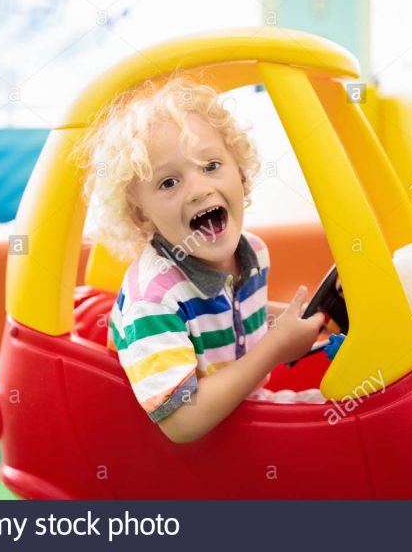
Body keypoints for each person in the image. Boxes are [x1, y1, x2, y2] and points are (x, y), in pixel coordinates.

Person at [76, 77, 325, 443]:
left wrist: (293, 319)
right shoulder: (154, 300)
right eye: (168, 183)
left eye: (210, 166)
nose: (199, 189)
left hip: (246, 408)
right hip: (204, 440)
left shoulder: (252, 252)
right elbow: (181, 422)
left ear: (240, 173)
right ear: (140, 214)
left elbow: (231, 314)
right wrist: (275, 348)